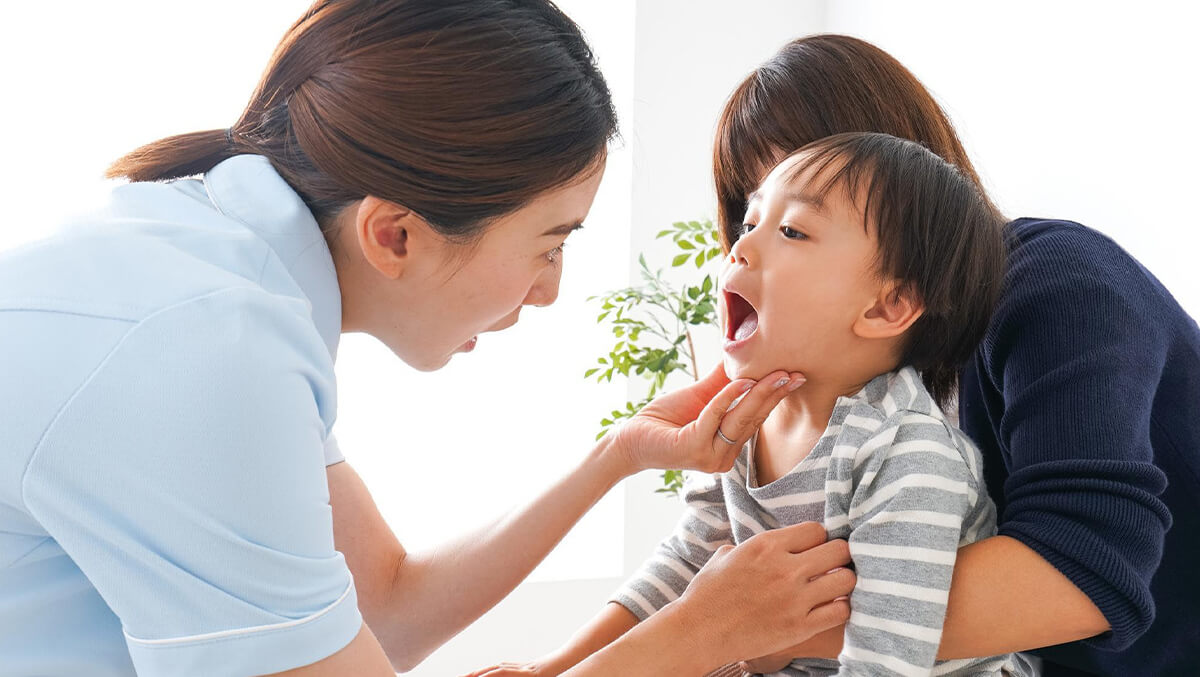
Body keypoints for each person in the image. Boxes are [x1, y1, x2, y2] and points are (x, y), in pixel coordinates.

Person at [0, 4, 857, 676]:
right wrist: (697, 634)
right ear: (396, 235)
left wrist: (621, 453)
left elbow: (386, 609)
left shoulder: (215, 273)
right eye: (550, 244)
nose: (551, 289)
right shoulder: (203, 352)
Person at [703, 35, 1197, 676]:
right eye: (749, 214)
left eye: (797, 221)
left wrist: (764, 630)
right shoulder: (837, 375)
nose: (753, 247)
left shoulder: (1058, 281)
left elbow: (1083, 569)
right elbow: (717, 557)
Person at [468, 131, 1038, 676]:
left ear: (886, 308)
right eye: (750, 221)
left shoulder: (906, 454)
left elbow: (888, 658)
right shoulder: (747, 418)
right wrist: (558, 666)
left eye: (792, 231)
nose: (740, 246)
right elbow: (686, 566)